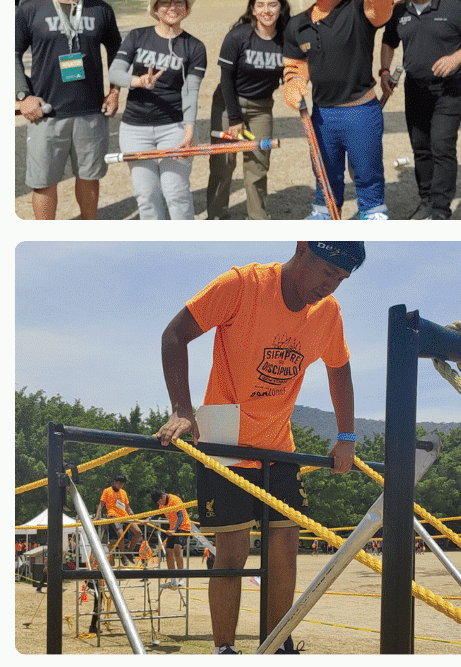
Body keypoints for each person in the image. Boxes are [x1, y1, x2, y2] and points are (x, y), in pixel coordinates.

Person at [154, 241, 362, 655]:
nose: (331, 287)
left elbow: (339, 367)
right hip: (223, 431)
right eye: (327, 273)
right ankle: (225, 650)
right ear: (302, 250)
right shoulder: (243, 284)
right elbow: (174, 334)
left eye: (341, 280)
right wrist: (182, 409)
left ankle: (276, 645)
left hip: (277, 440)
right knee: (232, 548)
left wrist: (347, 436)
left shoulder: (327, 312)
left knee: (285, 547)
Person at [282, 0, 395, 220]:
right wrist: (295, 83)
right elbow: (296, 64)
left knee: (367, 169)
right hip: (321, 114)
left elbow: (381, 11)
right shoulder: (297, 23)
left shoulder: (358, 7)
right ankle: (324, 211)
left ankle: (371, 210)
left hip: (360, 110)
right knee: (324, 169)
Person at [16, 0, 123, 220]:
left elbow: (117, 51)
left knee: (89, 177)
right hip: (46, 112)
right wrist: (22, 95)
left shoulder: (100, 9)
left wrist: (114, 92)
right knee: (43, 181)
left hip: (90, 110)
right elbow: (10, 52)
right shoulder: (31, 9)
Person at [380, 0, 461, 220]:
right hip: (415, 89)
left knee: (442, 145)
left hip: (449, 90)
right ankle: (427, 201)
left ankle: (441, 210)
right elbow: (388, 43)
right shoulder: (398, 11)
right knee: (420, 147)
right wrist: (385, 71)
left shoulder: (455, 8)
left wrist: (455, 58)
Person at [108, 0, 208, 221]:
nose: (172, 7)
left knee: (177, 194)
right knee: (147, 195)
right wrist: (138, 81)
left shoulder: (194, 47)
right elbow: (114, 73)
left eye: (178, 2)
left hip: (173, 129)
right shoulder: (137, 36)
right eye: (165, 2)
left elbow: (191, 92)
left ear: (187, 8)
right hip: (134, 130)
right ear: (155, 10)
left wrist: (189, 131)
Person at [207, 0, 288, 220]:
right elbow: (226, 79)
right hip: (229, 104)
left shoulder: (285, 38)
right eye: (260, 5)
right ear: (252, 9)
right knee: (223, 165)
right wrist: (234, 119)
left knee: (258, 164)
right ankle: (217, 216)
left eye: (272, 5)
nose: (266, 10)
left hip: (261, 109)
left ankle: (257, 218)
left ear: (281, 9)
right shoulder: (238, 36)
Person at [97, 475, 135, 560]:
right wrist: (97, 516)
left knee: (138, 532)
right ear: (115, 482)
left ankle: (129, 552)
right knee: (121, 534)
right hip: (113, 515)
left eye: (122, 484)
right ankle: (122, 556)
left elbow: (128, 507)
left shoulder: (123, 492)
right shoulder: (107, 491)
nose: (120, 486)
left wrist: (134, 516)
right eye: (119, 484)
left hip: (124, 515)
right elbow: (101, 505)